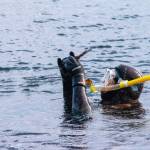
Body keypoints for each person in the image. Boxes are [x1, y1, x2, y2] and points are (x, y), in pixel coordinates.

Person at [57, 52, 143, 116]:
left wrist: (78, 77)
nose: (107, 82)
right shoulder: (109, 106)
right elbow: (71, 107)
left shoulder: (123, 111)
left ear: (121, 89)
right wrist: (67, 81)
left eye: (111, 77)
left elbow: (81, 116)